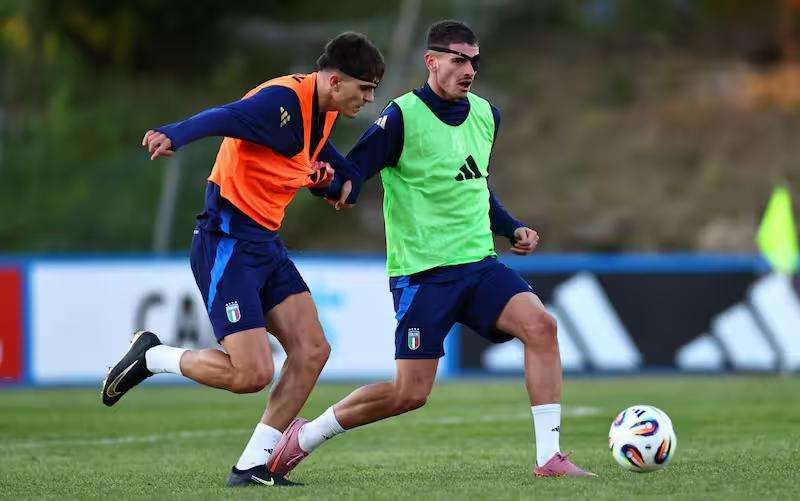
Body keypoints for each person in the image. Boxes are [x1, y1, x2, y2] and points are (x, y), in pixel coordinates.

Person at [267, 20, 595, 479]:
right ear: (432, 61)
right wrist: (331, 186)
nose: (468, 70)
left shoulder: (486, 115)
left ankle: (549, 458)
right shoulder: (400, 117)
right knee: (410, 394)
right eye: (459, 60)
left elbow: (475, 182)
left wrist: (510, 227)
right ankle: (304, 436)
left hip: (479, 264)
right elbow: (354, 172)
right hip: (423, 275)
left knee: (541, 326)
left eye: (474, 62)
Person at [100, 32, 384, 487]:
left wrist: (339, 181)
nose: (368, 99)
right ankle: (154, 356)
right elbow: (224, 116)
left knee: (313, 350)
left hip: (265, 243)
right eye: (364, 89)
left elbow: (315, 159)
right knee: (251, 373)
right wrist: (173, 134)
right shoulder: (280, 102)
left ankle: (251, 466)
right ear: (334, 80)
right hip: (226, 242)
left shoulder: (322, 109)